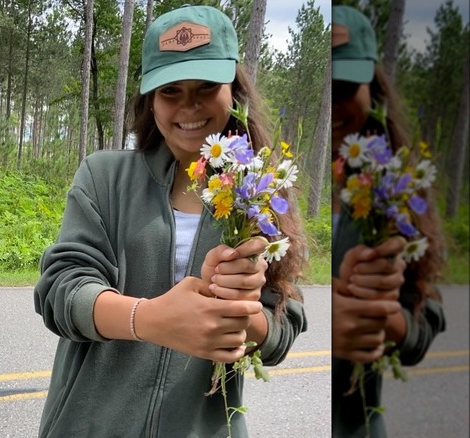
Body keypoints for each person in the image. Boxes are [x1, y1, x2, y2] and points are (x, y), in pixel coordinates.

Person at [33, 5, 308, 437]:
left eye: (205, 88)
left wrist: (244, 312)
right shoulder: (104, 177)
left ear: (234, 93)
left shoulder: (260, 192)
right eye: (170, 91)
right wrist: (152, 319)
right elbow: (61, 292)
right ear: (149, 99)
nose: (189, 106)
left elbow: (281, 327)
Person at [330, 5, 447, 438]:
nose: (334, 105)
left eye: (344, 88)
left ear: (373, 91)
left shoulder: (399, 189)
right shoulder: (274, 190)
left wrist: (386, 320)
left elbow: (426, 318)